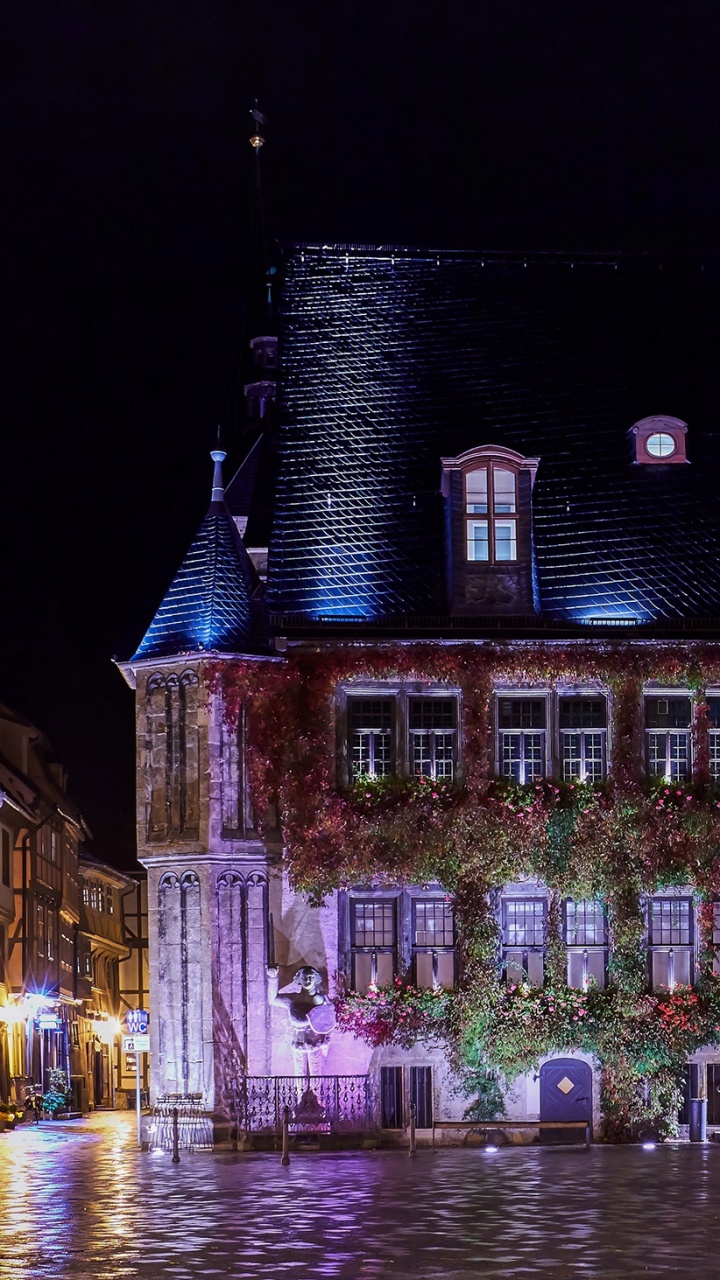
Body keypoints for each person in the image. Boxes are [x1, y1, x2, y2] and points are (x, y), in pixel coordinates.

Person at [267, 965, 336, 1077]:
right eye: (304, 978)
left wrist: (327, 1040)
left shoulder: (322, 1000)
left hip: (316, 1041)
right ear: (298, 979)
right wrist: (273, 978)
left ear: (316, 979)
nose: (307, 981)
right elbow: (274, 999)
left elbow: (330, 1021)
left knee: (316, 1074)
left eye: (310, 977)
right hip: (298, 1041)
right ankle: (300, 1094)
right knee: (299, 1075)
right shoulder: (293, 999)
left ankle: (316, 1094)